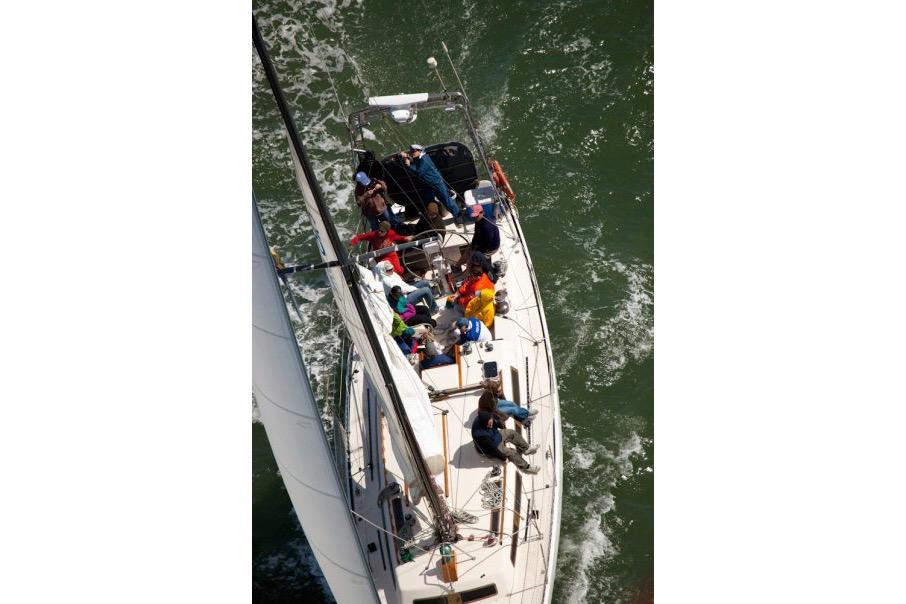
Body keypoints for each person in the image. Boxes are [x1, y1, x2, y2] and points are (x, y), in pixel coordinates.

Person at [471, 406, 539, 474]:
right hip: (491, 447)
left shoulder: (488, 417)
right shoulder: (480, 435)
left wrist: (499, 424)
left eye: (491, 422)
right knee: (512, 453)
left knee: (511, 432)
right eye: (489, 425)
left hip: (495, 435)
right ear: (484, 424)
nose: (490, 425)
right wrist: (503, 458)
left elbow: (497, 421)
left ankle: (527, 448)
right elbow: (492, 449)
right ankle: (527, 467)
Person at [400, 144, 460, 218]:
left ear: (419, 151)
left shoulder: (425, 159)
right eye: (411, 152)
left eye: (413, 151)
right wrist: (406, 156)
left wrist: (409, 165)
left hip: (436, 184)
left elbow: (419, 172)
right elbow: (414, 163)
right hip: (428, 185)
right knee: (429, 203)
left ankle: (458, 216)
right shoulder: (418, 157)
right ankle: (434, 218)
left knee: (447, 201)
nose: (412, 153)